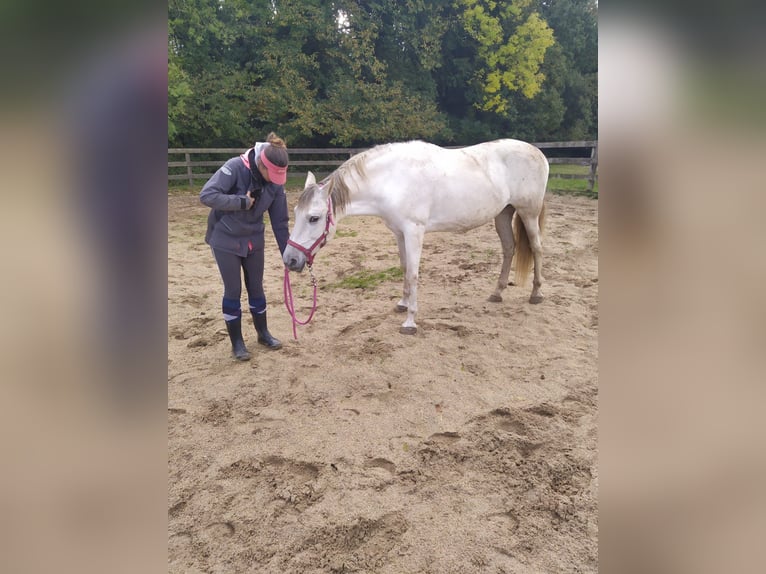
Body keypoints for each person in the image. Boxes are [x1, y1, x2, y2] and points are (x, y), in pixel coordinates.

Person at [200, 132, 290, 360]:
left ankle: (263, 333)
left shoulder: (276, 184)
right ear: (261, 164)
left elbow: (280, 222)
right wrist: (241, 202)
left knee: (257, 287)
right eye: (272, 175)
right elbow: (207, 195)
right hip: (225, 238)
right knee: (233, 290)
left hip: (254, 238)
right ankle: (237, 343)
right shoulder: (234, 167)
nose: (274, 181)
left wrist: (287, 254)